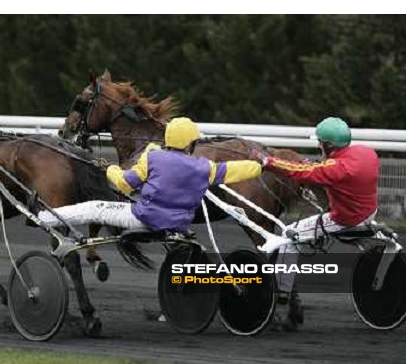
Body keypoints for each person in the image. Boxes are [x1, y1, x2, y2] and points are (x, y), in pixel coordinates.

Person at [252, 116, 379, 330]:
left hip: (344, 220)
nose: (318, 145)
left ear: (328, 145)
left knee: (288, 236)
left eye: (320, 142)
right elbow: (331, 167)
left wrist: (267, 161)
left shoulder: (336, 169)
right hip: (370, 212)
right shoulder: (367, 153)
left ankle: (282, 298)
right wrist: (320, 165)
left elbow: (299, 172)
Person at [38, 117, 263, 232]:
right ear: (191, 143)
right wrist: (260, 164)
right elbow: (235, 170)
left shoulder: (153, 155)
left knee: (94, 207)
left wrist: (108, 168)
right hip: (180, 224)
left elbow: (125, 184)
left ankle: (43, 217)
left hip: (145, 218)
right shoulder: (204, 167)